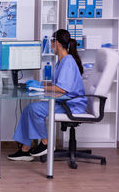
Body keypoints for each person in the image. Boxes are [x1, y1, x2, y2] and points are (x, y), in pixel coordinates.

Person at [8, 29, 87, 161]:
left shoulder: (68, 61)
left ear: (56, 43)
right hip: (63, 101)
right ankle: (25, 150)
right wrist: (40, 84)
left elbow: (62, 89)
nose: (50, 45)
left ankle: (45, 143)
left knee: (34, 110)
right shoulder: (61, 61)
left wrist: (41, 87)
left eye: (51, 42)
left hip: (71, 105)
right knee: (29, 109)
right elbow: (59, 84)